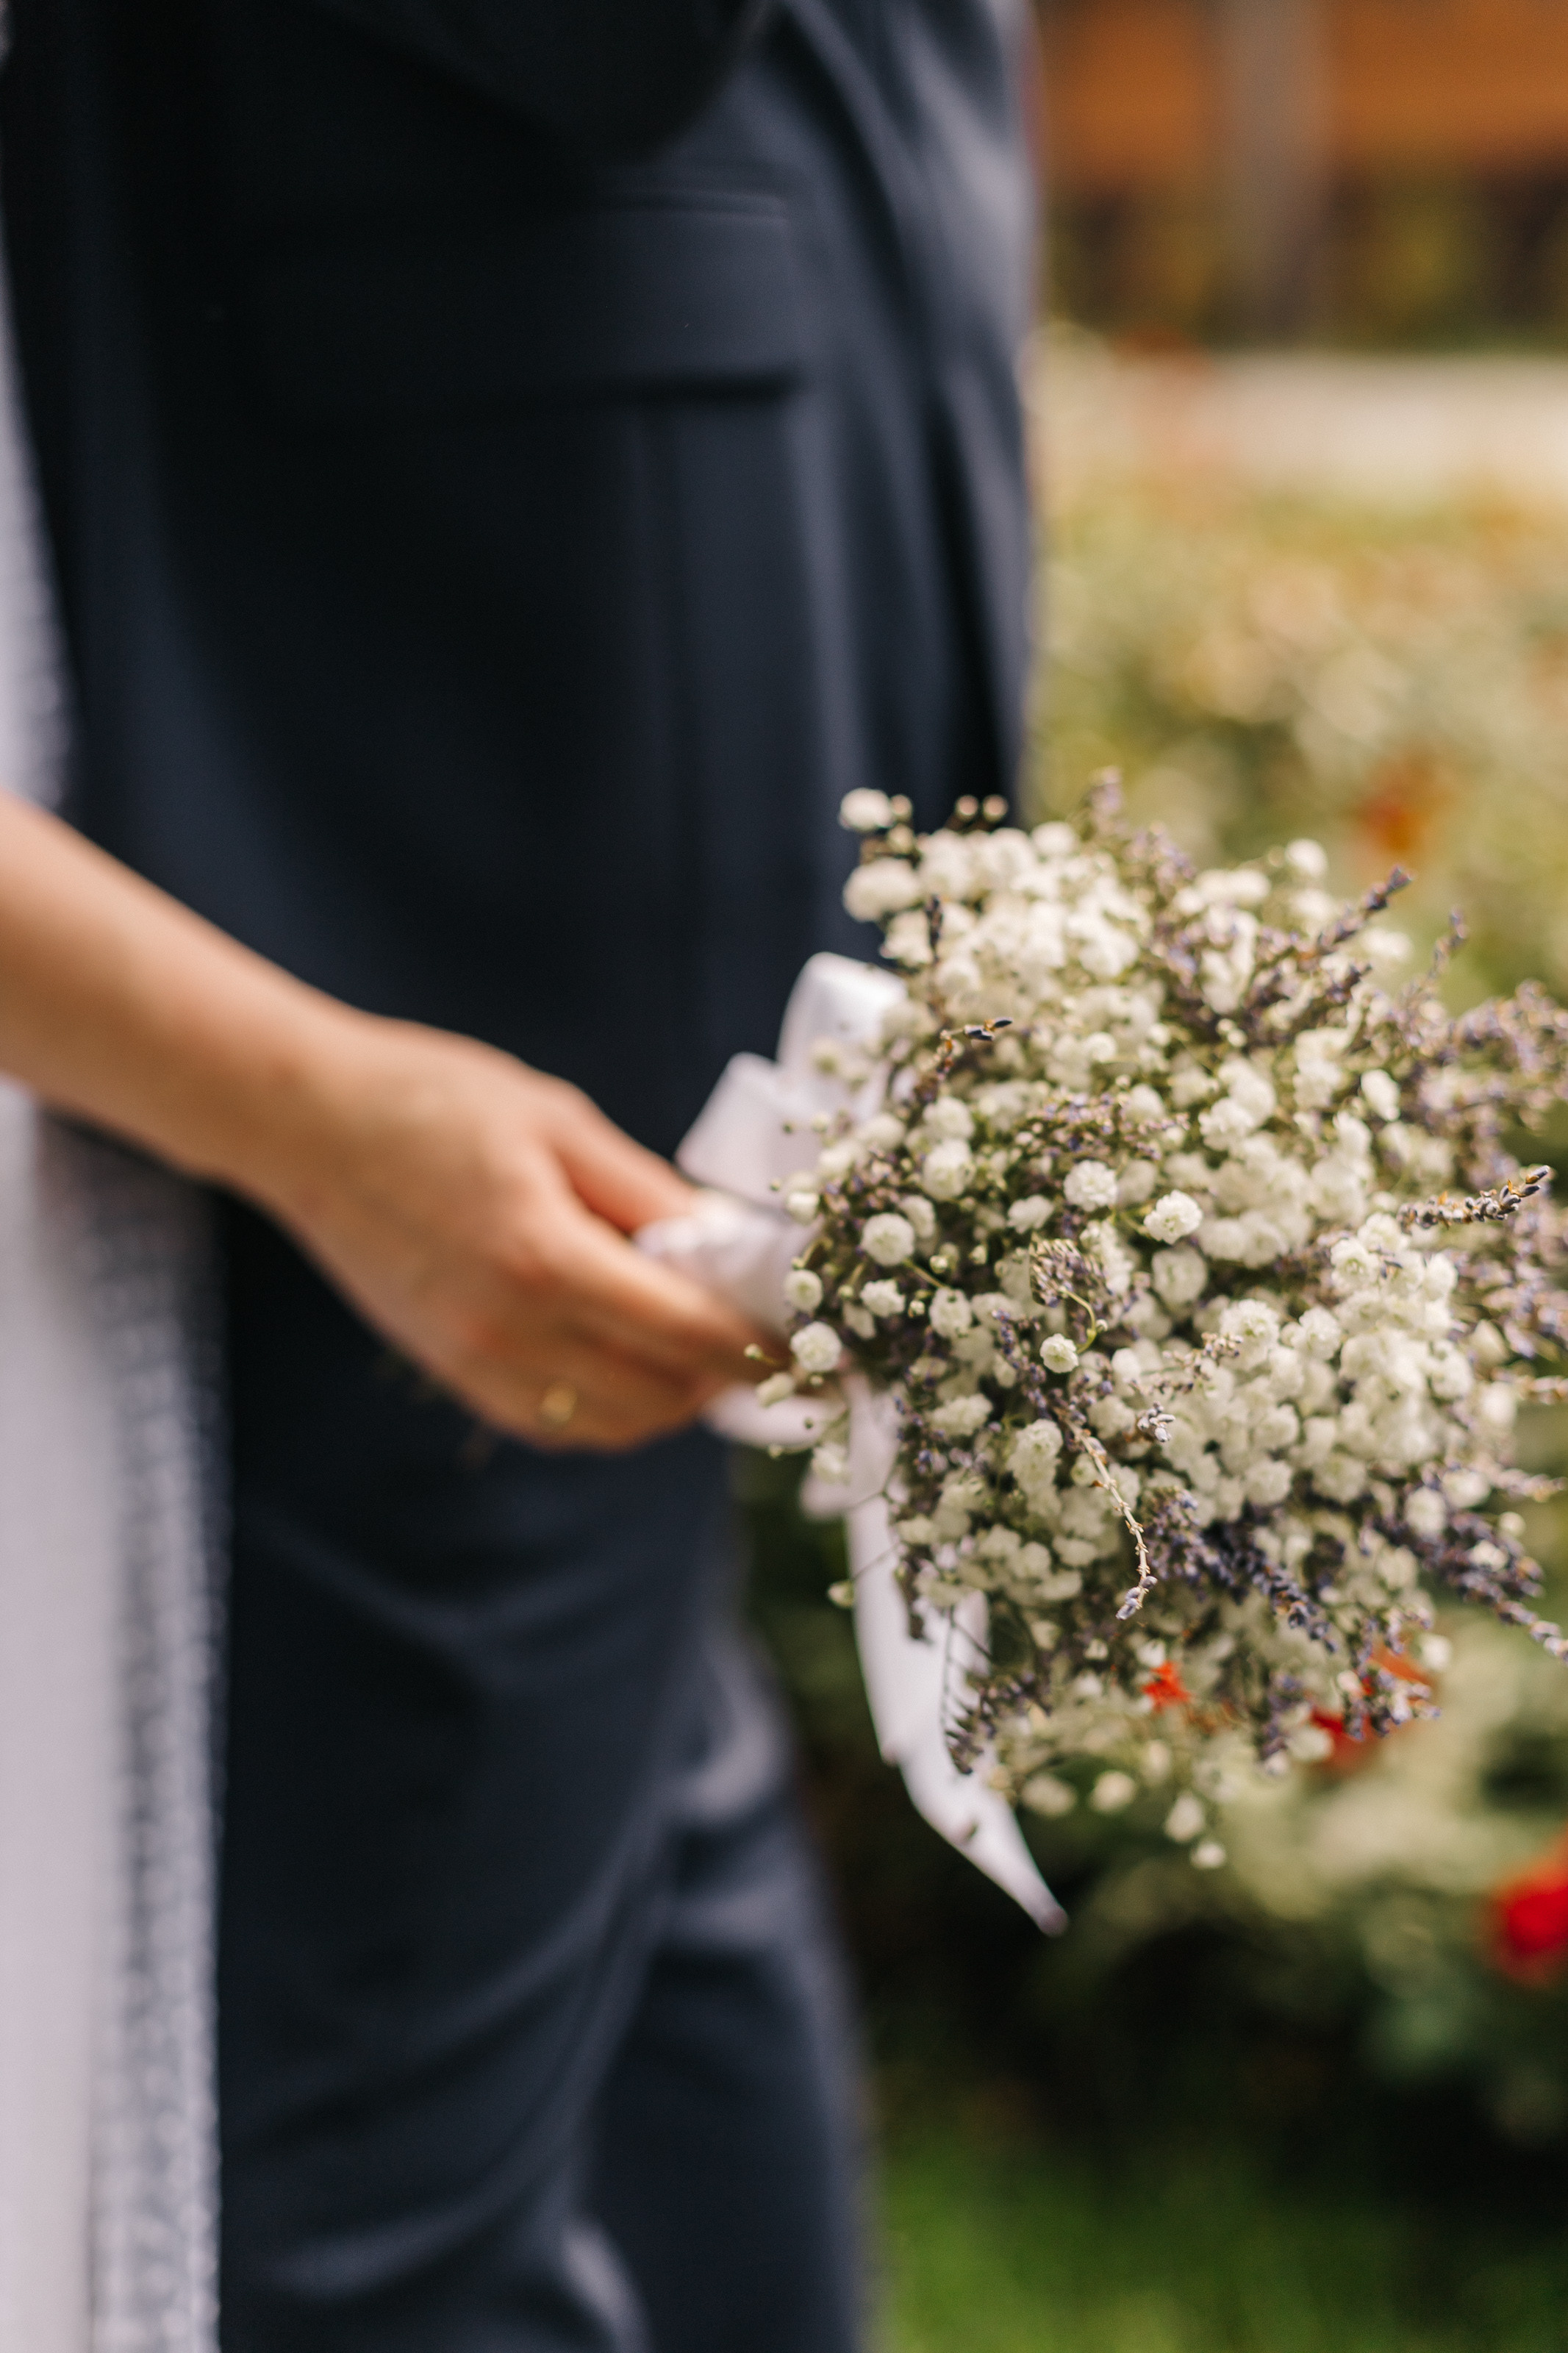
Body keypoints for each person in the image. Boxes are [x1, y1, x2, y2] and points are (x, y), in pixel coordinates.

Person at [0, 3, 1036, 2346]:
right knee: (400, 2151)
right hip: (429, 754)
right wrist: (294, 1099)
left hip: (631, 682)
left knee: (631, 1905)